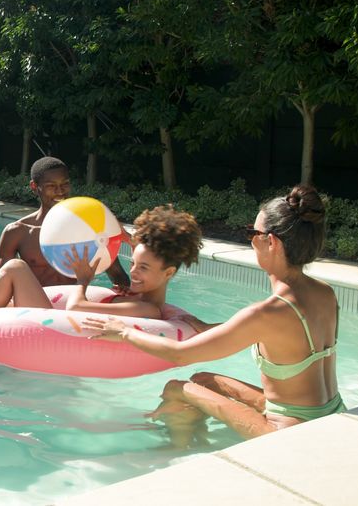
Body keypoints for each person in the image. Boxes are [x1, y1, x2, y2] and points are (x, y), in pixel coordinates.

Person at [83, 185, 343, 447]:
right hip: (329, 414)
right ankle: (198, 437)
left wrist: (125, 332)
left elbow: (180, 354)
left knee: (176, 387)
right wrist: (208, 327)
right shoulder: (325, 293)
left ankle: (177, 450)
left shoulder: (265, 313)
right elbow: (288, 337)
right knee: (203, 380)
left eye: (252, 234)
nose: (251, 242)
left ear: (271, 242)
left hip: (287, 433)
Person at [0, 205, 202, 326]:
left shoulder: (148, 311)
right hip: (54, 319)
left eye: (143, 268)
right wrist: (123, 236)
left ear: (169, 272)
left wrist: (83, 280)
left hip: (55, 329)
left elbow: (75, 308)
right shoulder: (138, 300)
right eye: (134, 263)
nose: (133, 272)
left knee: (16, 268)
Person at [0, 157, 131, 321]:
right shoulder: (18, 232)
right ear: (34, 186)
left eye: (65, 184)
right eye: (51, 186)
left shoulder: (86, 229)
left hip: (71, 305)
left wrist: (122, 288)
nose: (60, 192)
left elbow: (118, 276)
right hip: (33, 307)